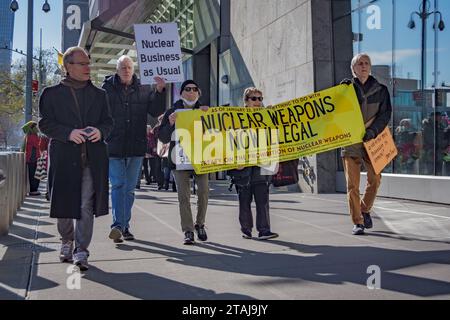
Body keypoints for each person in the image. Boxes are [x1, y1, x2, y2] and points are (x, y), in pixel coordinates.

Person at [39, 46, 114, 271]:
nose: (87, 67)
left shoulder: (100, 94)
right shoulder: (50, 93)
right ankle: (66, 241)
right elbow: (44, 124)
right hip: (64, 157)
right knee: (63, 204)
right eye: (82, 64)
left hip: (92, 158)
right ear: (68, 66)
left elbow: (108, 122)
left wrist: (101, 131)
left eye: (88, 63)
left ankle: (82, 250)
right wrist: (68, 133)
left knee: (84, 205)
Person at [102, 55, 166, 243]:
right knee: (118, 185)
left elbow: (155, 112)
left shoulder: (144, 88)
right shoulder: (106, 89)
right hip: (114, 145)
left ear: (133, 69)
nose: (126, 70)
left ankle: (123, 226)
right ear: (117, 69)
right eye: (123, 67)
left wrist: (160, 90)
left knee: (129, 189)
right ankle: (118, 225)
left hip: (136, 146)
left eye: (129, 67)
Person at [340, 53, 392, 235]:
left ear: (370, 67)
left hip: (373, 140)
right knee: (352, 185)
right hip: (351, 141)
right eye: (359, 64)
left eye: (366, 63)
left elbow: (385, 115)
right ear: (353, 69)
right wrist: (340, 94)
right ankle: (358, 222)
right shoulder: (345, 90)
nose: (363, 66)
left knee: (375, 179)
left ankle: (364, 208)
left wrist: (373, 131)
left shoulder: (381, 90)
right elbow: (336, 114)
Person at [158, 80, 209, 245]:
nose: (192, 92)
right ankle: (188, 230)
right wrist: (171, 123)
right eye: (188, 89)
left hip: (201, 157)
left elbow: (216, 133)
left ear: (198, 93)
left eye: (195, 89)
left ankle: (200, 224)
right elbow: (163, 137)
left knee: (203, 192)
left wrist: (209, 117)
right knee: (183, 196)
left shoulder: (205, 110)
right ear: (181, 93)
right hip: (179, 158)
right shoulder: (172, 111)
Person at [227, 88, 279, 240]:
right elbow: (229, 142)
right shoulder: (235, 118)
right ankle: (246, 230)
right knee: (244, 201)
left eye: (260, 98)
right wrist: (234, 163)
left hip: (262, 166)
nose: (258, 102)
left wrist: (273, 117)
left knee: (262, 201)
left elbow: (275, 138)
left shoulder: (267, 117)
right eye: (254, 98)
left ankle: (264, 230)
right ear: (246, 101)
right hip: (242, 167)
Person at [21, 121, 42, 196]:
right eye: (35, 127)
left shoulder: (28, 136)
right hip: (33, 158)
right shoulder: (33, 136)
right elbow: (37, 145)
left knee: (33, 174)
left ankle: (34, 189)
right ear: (31, 128)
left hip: (31, 158)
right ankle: (33, 190)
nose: (36, 128)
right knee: (35, 175)